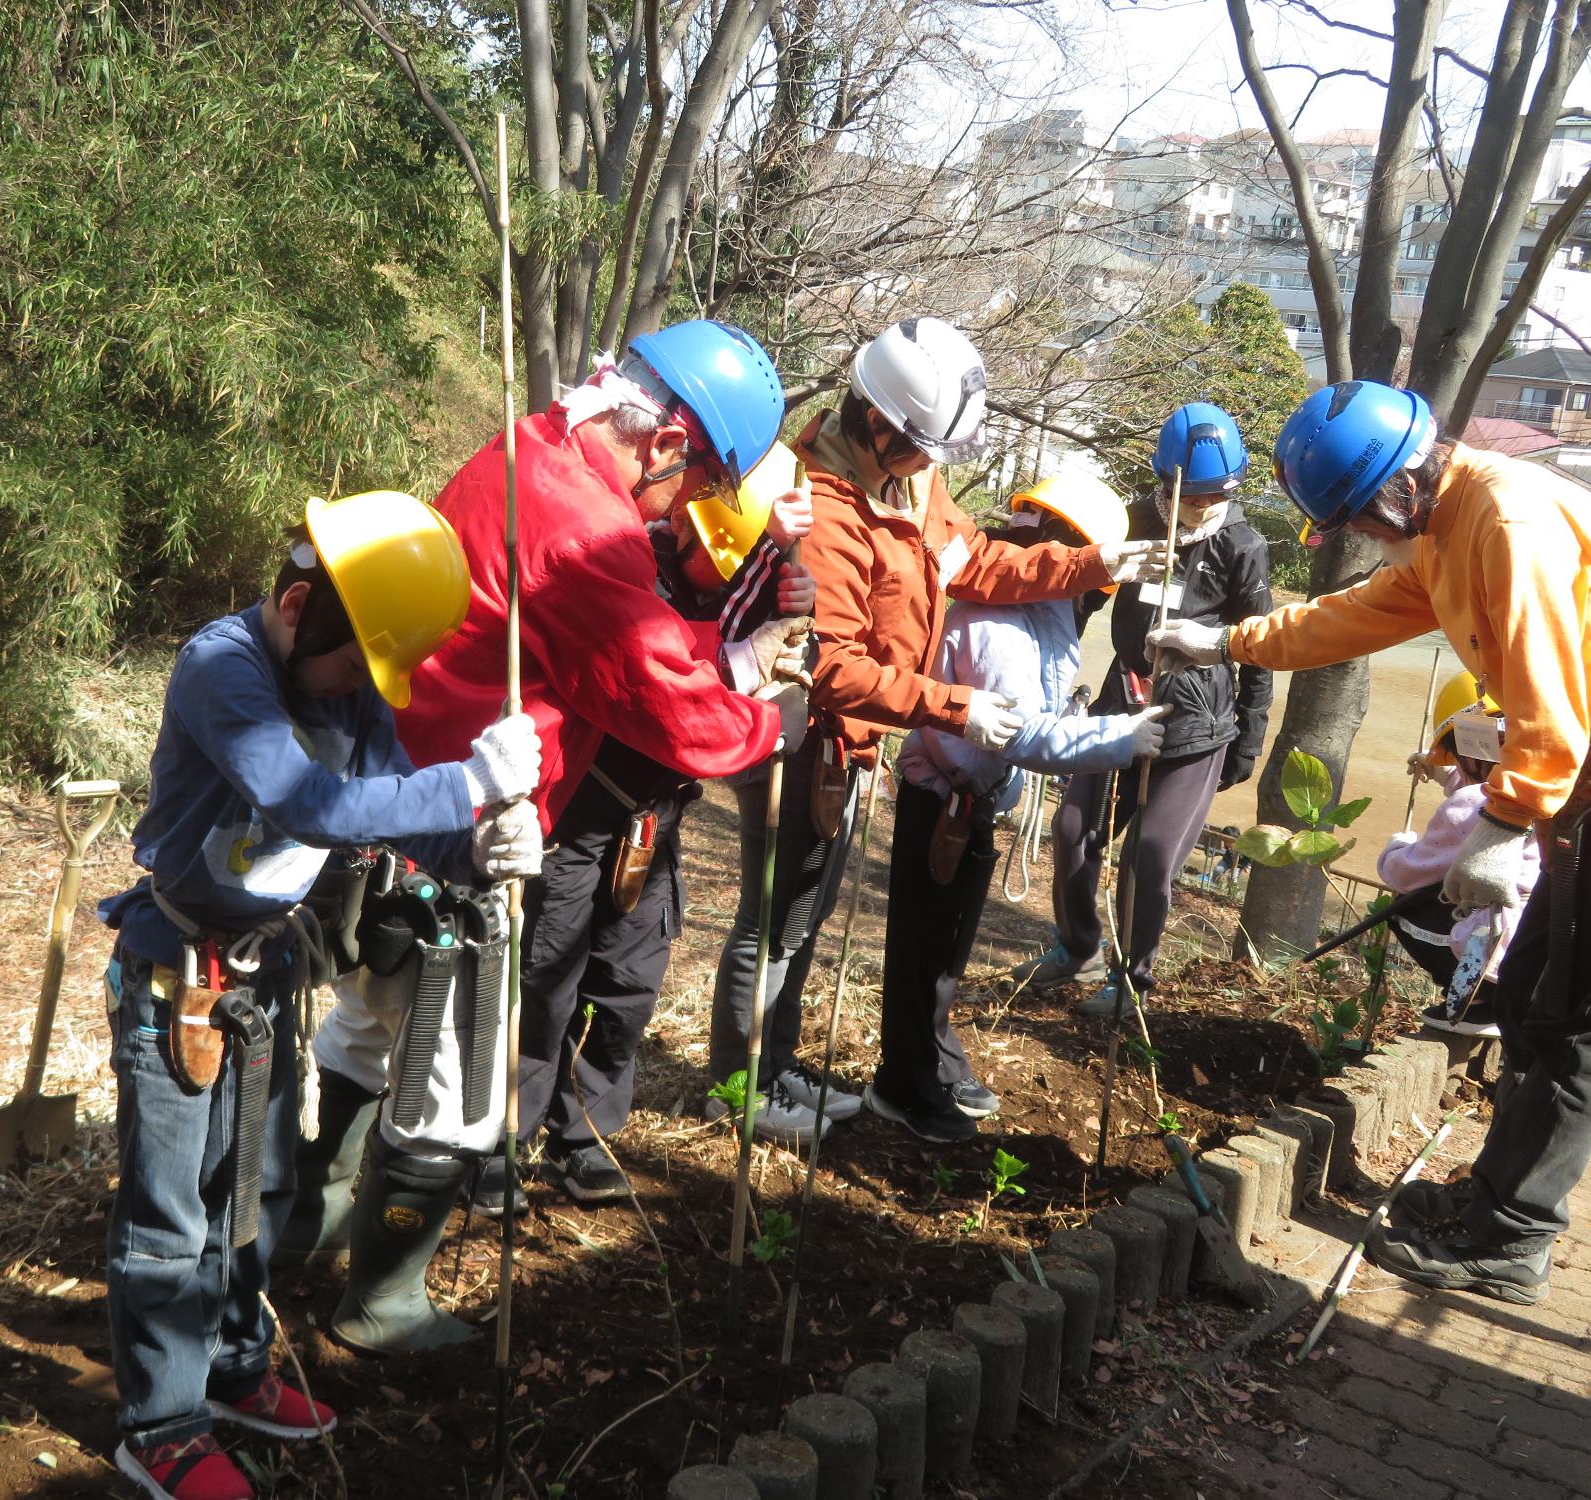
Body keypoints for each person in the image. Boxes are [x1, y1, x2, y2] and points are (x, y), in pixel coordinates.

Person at [289, 321, 807, 1326]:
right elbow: (667, 705)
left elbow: (618, 641)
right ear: (665, 444)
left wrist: (726, 651)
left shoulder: (527, 448)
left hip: (391, 779)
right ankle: (381, 1301)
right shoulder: (586, 530)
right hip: (465, 818)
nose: (688, 510)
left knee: (360, 1023)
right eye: (697, 485)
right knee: (449, 1070)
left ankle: (307, 1213)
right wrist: (769, 715)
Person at [96, 491, 543, 1497]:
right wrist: (465, 784)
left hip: (267, 966)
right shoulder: (223, 669)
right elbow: (303, 802)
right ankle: (159, 1422)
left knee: (258, 1184)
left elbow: (387, 814)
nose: (354, 691)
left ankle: (231, 1366)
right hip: (180, 973)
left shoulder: (345, 685)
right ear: (298, 604)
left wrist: (478, 841)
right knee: (172, 1208)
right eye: (350, 666)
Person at [1148, 378, 1591, 1304]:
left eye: (1358, 518)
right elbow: (1354, 614)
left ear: (1396, 490)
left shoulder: (1504, 522)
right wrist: (1229, 644)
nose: (1360, 535)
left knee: (1572, 1026)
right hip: (1577, 790)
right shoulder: (1447, 524)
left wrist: (1504, 821)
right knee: (1530, 998)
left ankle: (1510, 1242)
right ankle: (1494, 1203)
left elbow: (1553, 710)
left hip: (1579, 784)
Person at [707, 317, 1163, 1145]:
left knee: (802, 915)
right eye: (920, 451)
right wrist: (957, 706)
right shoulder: (829, 510)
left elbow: (976, 560)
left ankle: (770, 1067)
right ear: (876, 425)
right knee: (773, 916)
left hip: (855, 741)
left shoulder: (909, 484)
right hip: (809, 734)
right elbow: (835, 665)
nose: (928, 470)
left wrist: (1091, 566)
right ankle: (737, 1085)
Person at [502, 441, 816, 1207]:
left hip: (655, 820)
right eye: (712, 552)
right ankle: (503, 1138)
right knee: (545, 980)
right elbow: (658, 684)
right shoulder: (630, 563)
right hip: (581, 812)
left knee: (627, 985)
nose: (714, 567)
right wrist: (743, 665)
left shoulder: (762, 583)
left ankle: (585, 1133)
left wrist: (790, 632)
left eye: (733, 560)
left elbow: (781, 671)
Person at [869, 475, 1170, 1140]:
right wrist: (1121, 737)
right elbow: (1024, 733)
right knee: (923, 955)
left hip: (970, 799)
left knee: (947, 956)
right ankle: (905, 1087)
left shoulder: (1039, 606)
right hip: (940, 800)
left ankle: (937, 1061)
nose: (1095, 595)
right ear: (1066, 552)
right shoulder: (1001, 623)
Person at [1014, 402, 1274, 1016]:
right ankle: (1078, 949)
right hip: (1120, 705)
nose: (1204, 506)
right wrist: (1048, 666)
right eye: (1193, 494)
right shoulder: (1130, 520)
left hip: (1196, 724)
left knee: (1150, 856)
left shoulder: (1242, 545)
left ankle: (1133, 983)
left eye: (1218, 495)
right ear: (1165, 481)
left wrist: (1248, 741)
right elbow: (1082, 598)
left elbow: (1259, 650)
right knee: (1073, 829)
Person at [1376, 672, 1538, 1037]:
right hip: (1541, 939)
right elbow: (1488, 784)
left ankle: (1475, 1001)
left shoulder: (1470, 804)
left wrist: (1395, 848)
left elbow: (1407, 872)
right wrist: (1443, 772)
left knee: (1402, 905)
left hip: (1495, 944)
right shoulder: (1546, 792)